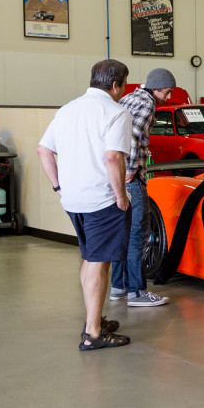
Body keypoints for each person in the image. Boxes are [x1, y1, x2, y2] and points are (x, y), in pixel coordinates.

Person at [37, 59, 133, 350]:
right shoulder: (116, 112)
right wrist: (121, 196)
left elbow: (44, 150)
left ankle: (94, 318)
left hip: (73, 199)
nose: (123, 90)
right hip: (102, 199)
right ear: (115, 85)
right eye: (124, 85)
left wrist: (58, 187)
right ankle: (93, 333)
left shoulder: (67, 110)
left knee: (90, 258)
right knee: (98, 262)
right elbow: (114, 158)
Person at [110, 68, 176, 308]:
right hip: (132, 177)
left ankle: (119, 286)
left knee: (123, 231)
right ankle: (137, 292)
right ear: (155, 87)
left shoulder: (128, 97)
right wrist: (129, 170)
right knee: (139, 232)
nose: (168, 98)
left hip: (115, 174)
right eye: (167, 92)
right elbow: (133, 136)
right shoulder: (147, 103)